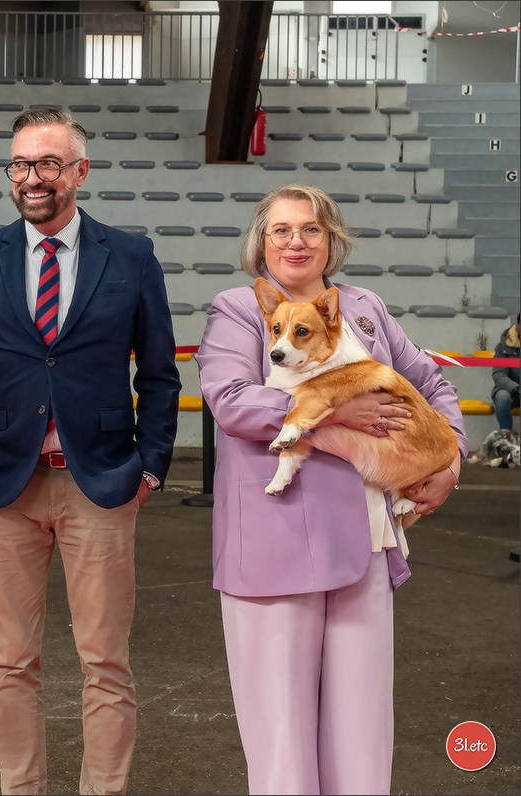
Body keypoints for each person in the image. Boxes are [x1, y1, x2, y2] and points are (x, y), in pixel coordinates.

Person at [0, 107, 181, 795]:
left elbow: (159, 375)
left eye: (47, 163)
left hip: (100, 483)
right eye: (20, 164)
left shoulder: (130, 256)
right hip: (4, 488)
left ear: (80, 171)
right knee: (11, 661)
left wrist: (151, 467)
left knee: (105, 661)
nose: (32, 177)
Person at [195, 184, 467, 794]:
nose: (296, 241)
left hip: (369, 543)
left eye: (311, 229)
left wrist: (450, 456)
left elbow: (430, 380)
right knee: (281, 739)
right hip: (276, 544)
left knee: (364, 735)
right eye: (281, 230)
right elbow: (231, 401)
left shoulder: (365, 308)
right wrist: (337, 411)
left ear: (332, 241)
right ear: (260, 243)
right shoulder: (239, 308)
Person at [491, 312, 519, 433]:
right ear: (518, 325)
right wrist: (517, 388)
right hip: (513, 391)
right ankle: (506, 437)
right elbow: (499, 375)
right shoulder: (503, 346)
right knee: (502, 397)